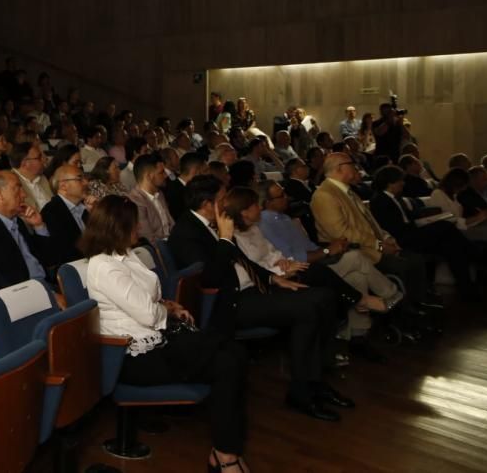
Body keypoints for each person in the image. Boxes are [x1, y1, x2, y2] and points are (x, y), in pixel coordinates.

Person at [82, 195, 250, 473]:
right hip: (132, 357)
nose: (139, 230)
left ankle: (225, 450)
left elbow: (150, 300)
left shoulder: (126, 254)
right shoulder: (103, 265)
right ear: (117, 228)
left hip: (157, 341)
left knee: (233, 351)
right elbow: (147, 313)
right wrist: (164, 310)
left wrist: (164, 306)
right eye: (134, 225)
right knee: (227, 362)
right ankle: (225, 455)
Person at [170, 175, 350, 422]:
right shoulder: (186, 231)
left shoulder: (215, 223)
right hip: (228, 303)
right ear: (206, 204)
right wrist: (224, 238)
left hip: (248, 289)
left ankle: (315, 380)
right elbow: (209, 278)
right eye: (222, 199)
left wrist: (271, 278)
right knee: (307, 308)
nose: (226, 204)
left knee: (324, 298)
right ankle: (302, 391)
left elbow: (244, 261)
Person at [227, 186, 395, 361]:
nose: (260, 207)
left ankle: (353, 335)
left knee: (351, 278)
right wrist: (279, 268)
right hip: (265, 284)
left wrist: (281, 261)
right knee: (323, 271)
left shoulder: (254, 228)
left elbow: (271, 252)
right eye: (255, 205)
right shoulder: (235, 236)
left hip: (281, 271)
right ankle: (365, 300)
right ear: (244, 211)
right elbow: (249, 269)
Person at [311, 154, 432, 311]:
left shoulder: (348, 191)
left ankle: (418, 304)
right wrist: (381, 246)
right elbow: (342, 233)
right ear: (340, 167)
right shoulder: (325, 195)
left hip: (370, 246)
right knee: (404, 265)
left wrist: (387, 240)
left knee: (415, 259)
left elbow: (370, 223)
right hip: (354, 250)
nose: (356, 167)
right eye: (352, 164)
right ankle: (405, 312)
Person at [369, 166, 479, 302]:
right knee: (445, 226)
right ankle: (476, 253)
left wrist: (425, 220)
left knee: (451, 246)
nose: (403, 183)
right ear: (390, 182)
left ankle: (466, 287)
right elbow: (392, 228)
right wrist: (424, 223)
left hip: (410, 233)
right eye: (400, 180)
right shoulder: (380, 200)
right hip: (400, 239)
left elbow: (408, 218)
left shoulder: (396, 198)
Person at [0, 171, 58, 286]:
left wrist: (39, 226)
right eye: (17, 189)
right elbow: (7, 279)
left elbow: (50, 259)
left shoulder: (18, 220)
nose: (24, 195)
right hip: (25, 291)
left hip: (46, 283)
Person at [41, 165, 91, 264]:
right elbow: (64, 254)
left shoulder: (86, 208)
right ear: (63, 186)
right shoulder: (51, 212)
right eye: (79, 179)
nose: (86, 182)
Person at [127, 154, 175, 245]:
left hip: (171, 241)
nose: (165, 175)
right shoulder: (135, 201)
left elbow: (171, 223)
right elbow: (148, 238)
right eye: (161, 172)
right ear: (149, 176)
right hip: (159, 249)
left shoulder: (159, 194)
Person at [10, 141, 54, 212]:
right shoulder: (11, 183)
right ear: (24, 163)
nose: (45, 159)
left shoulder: (43, 178)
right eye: (39, 157)